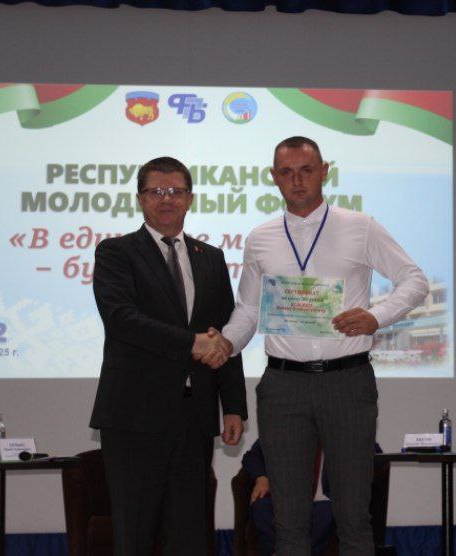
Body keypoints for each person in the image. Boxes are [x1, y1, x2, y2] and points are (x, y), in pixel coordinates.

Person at [220, 136, 429, 555]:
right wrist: (225, 343)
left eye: (306, 170)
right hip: (283, 386)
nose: (297, 181)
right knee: (288, 522)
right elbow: (248, 309)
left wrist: (377, 316)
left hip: (347, 382)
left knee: (353, 518)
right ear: (273, 177)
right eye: (286, 172)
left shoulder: (360, 226)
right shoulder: (261, 237)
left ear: (324, 172)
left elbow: (414, 280)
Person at [90, 156, 247, 555]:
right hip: (134, 418)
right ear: (140, 199)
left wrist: (233, 406)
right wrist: (193, 343)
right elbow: (122, 320)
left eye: (176, 191)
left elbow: (224, 332)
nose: (166, 199)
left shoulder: (210, 257)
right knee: (135, 534)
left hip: (194, 417)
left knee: (190, 535)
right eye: (156, 191)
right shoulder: (116, 252)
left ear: (190, 199)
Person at [243, 440, 385, 556]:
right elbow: (252, 456)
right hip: (287, 498)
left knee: (327, 512)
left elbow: (377, 457)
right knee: (261, 506)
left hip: (324, 500)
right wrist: (261, 477)